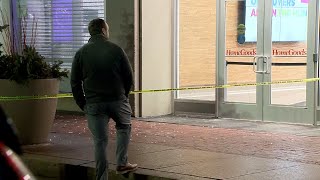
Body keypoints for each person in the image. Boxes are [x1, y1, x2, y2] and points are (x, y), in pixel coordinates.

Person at [71, 18, 137, 180]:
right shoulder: (116, 49)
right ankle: (122, 163)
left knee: (100, 142)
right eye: (107, 29)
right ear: (102, 30)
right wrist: (124, 97)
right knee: (124, 127)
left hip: (94, 104)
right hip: (117, 100)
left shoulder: (81, 53)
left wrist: (83, 105)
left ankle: (102, 178)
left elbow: (74, 83)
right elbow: (129, 77)